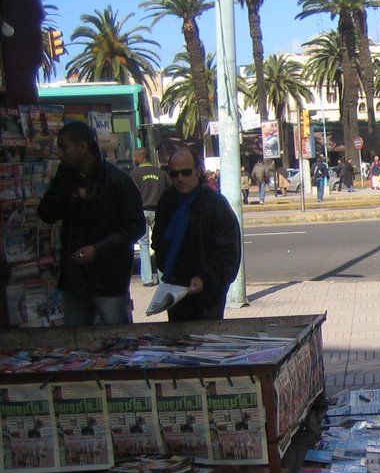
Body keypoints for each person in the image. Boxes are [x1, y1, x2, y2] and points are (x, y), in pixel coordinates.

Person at [37, 121, 145, 325]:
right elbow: (46, 213)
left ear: (83, 147)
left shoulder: (117, 181)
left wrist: (98, 249)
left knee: (118, 338)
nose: (60, 154)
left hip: (108, 280)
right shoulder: (65, 178)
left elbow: (134, 226)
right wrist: (66, 193)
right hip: (75, 279)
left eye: (64, 147)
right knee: (77, 340)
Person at [152, 149, 241, 322]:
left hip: (207, 293)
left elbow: (227, 252)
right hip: (176, 285)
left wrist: (204, 277)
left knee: (205, 338)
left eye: (186, 172)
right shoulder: (168, 200)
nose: (180, 178)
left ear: (198, 171)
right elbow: (159, 240)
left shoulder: (215, 204)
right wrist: (166, 265)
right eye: (174, 174)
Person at [130, 147, 169, 287]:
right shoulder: (161, 173)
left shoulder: (135, 174)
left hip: (142, 211)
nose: (134, 159)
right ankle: (162, 277)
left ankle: (147, 279)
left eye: (135, 156)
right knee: (159, 244)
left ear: (140, 157)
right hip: (158, 212)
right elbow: (168, 193)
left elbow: (132, 195)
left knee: (144, 245)